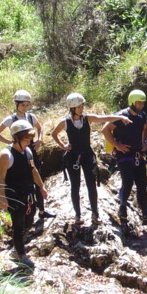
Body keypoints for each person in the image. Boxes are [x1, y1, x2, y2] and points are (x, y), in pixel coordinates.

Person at [51, 92, 131, 225]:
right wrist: (63, 146)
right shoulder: (64, 122)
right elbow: (54, 134)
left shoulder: (87, 118)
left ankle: (95, 214)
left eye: (82, 106)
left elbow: (102, 118)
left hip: (87, 155)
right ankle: (78, 215)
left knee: (91, 185)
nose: (82, 109)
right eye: (79, 107)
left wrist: (119, 117)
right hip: (72, 156)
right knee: (75, 186)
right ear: (72, 108)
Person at [0, 89, 54, 220]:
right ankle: (24, 214)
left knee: (37, 177)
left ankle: (42, 210)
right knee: (23, 181)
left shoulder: (31, 117)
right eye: (22, 105)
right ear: (16, 104)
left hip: (31, 151)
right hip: (17, 152)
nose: (25, 107)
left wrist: (39, 139)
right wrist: (10, 142)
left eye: (27, 105)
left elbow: (40, 127)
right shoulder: (11, 119)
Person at [0, 120, 48, 268]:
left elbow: (33, 170)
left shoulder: (28, 151)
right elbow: (1, 178)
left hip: (28, 193)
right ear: (17, 137)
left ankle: (17, 247)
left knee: (29, 221)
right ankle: (21, 254)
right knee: (18, 225)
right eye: (26, 139)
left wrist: (41, 187)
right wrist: (2, 198)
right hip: (14, 196)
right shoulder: (5, 155)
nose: (29, 142)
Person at [102, 89, 147, 226]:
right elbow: (105, 130)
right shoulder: (121, 116)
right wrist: (116, 145)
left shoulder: (142, 115)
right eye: (139, 103)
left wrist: (146, 142)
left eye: (142, 103)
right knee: (128, 182)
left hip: (138, 154)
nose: (141, 105)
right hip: (124, 155)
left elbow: (146, 129)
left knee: (142, 184)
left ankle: (146, 215)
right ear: (132, 102)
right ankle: (122, 210)